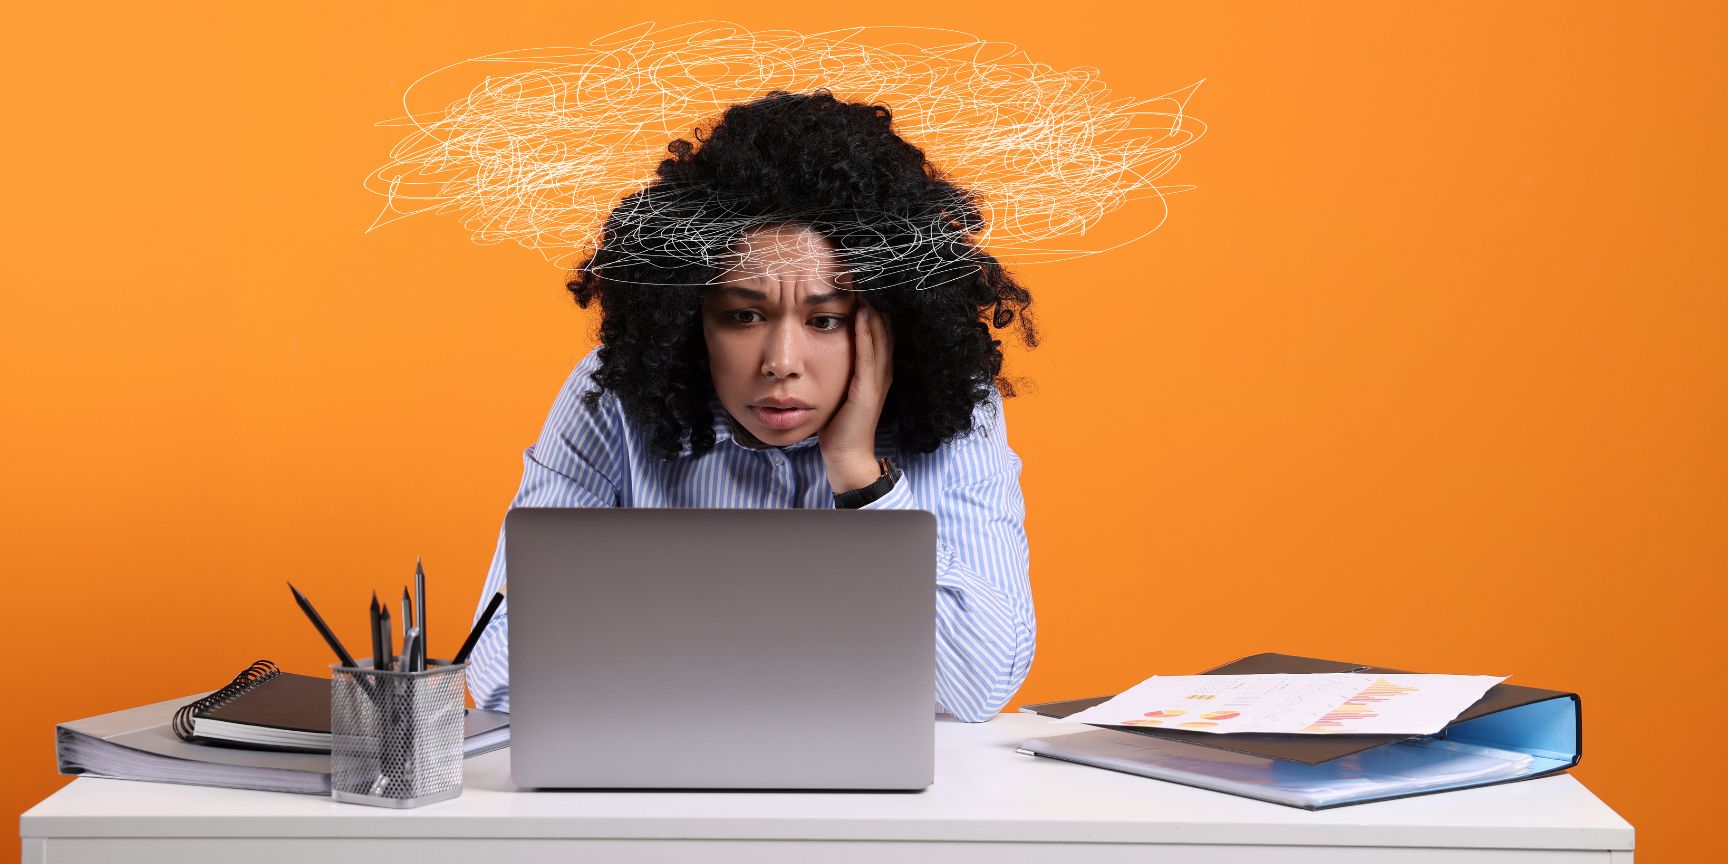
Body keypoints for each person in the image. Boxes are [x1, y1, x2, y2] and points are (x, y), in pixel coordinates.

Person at [465, 89, 1039, 722]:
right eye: (744, 316)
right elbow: (503, 671)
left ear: (886, 322)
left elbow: (979, 687)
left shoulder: (955, 407)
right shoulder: (613, 394)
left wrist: (860, 479)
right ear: (691, 316)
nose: (781, 361)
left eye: (824, 320)